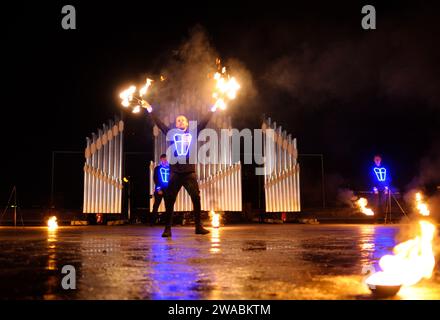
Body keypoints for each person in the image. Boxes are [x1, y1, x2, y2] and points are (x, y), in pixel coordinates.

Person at [147, 106, 214, 237]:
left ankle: (198, 227)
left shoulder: (192, 133)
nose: (180, 122)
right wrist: (150, 109)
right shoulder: (172, 134)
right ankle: (167, 229)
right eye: (178, 120)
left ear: (187, 123)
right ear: (175, 124)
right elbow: (160, 124)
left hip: (189, 172)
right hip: (175, 173)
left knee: (196, 198)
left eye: (183, 120)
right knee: (170, 200)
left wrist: (213, 108)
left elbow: (204, 122)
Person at [150, 154, 169, 225]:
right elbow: (155, 179)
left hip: (167, 190)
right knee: (156, 205)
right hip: (159, 189)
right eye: (164, 159)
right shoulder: (157, 168)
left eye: (166, 159)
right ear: (161, 159)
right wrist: (158, 189)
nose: (165, 160)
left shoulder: (169, 168)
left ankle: (168, 222)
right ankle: (152, 222)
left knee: (168, 205)